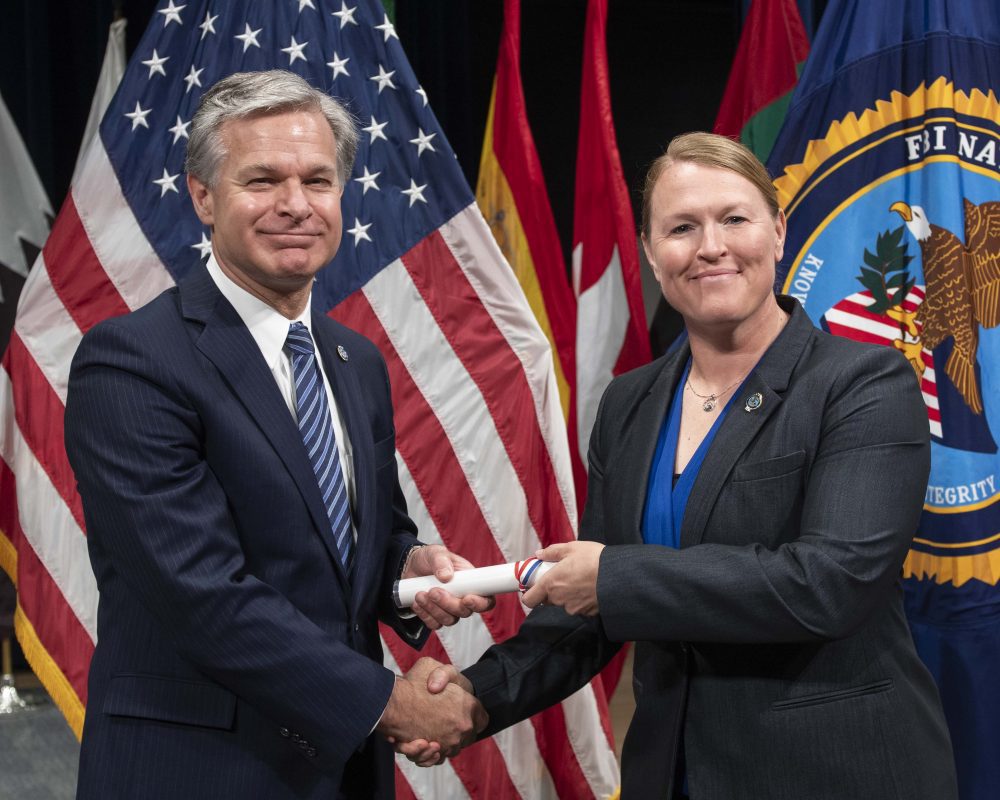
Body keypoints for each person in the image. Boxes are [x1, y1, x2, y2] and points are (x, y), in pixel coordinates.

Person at [403, 132, 959, 799]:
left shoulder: (863, 384)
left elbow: (829, 582)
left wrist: (612, 575)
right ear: (650, 252)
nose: (711, 247)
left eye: (734, 219)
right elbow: (590, 610)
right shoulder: (629, 403)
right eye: (682, 228)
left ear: (778, 231)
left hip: (833, 774)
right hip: (672, 774)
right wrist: (475, 696)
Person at [64, 70, 491, 800]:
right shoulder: (132, 360)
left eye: (318, 181)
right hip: (195, 772)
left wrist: (409, 571)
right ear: (204, 196)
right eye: (261, 180)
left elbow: (363, 543)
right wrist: (392, 704)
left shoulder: (354, 363)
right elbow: (203, 593)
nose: (295, 205)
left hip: (342, 769)